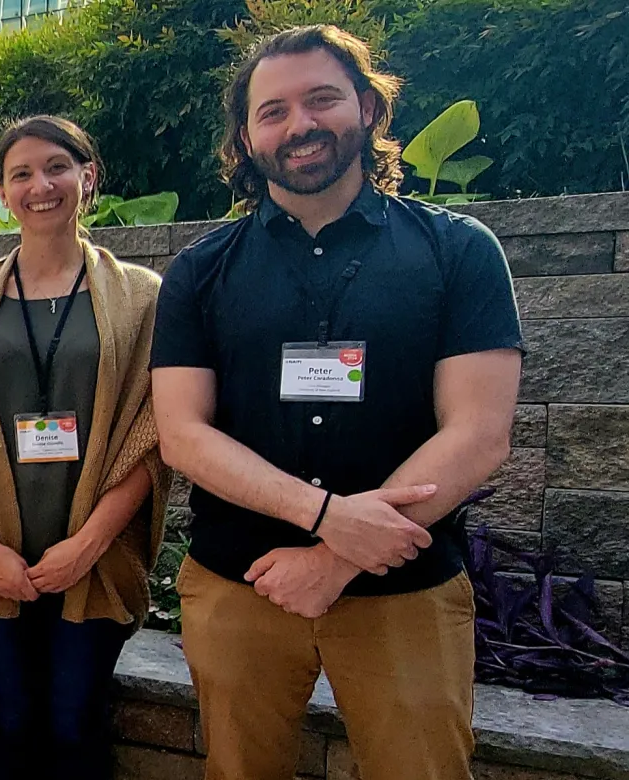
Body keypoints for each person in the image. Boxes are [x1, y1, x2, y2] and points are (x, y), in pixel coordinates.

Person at [151, 25, 523, 780]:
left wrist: (335, 558)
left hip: (404, 594)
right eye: (273, 111)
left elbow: (479, 432)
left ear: (367, 108)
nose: (300, 125)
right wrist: (328, 518)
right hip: (241, 586)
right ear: (246, 136)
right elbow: (183, 433)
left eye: (321, 99)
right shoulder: (199, 271)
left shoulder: (459, 251)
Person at [0, 115, 167, 780]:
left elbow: (153, 433)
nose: (41, 186)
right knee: (9, 720)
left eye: (57, 167)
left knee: (73, 722)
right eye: (21, 174)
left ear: (88, 176)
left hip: (96, 556)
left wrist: (87, 546)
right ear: (3, 192)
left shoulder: (141, 299)